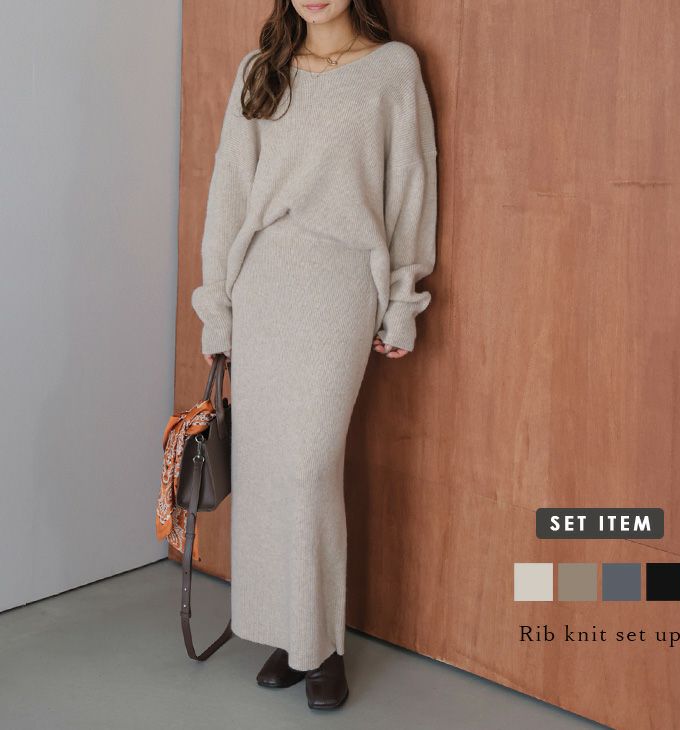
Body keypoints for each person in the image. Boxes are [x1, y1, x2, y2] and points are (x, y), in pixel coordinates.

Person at [191, 0, 438, 710]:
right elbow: (229, 190)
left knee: (309, 464)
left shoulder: (393, 69)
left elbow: (411, 189)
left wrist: (401, 304)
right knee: (268, 466)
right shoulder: (260, 69)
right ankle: (288, 634)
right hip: (263, 280)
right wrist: (218, 310)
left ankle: (322, 645)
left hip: (342, 279)